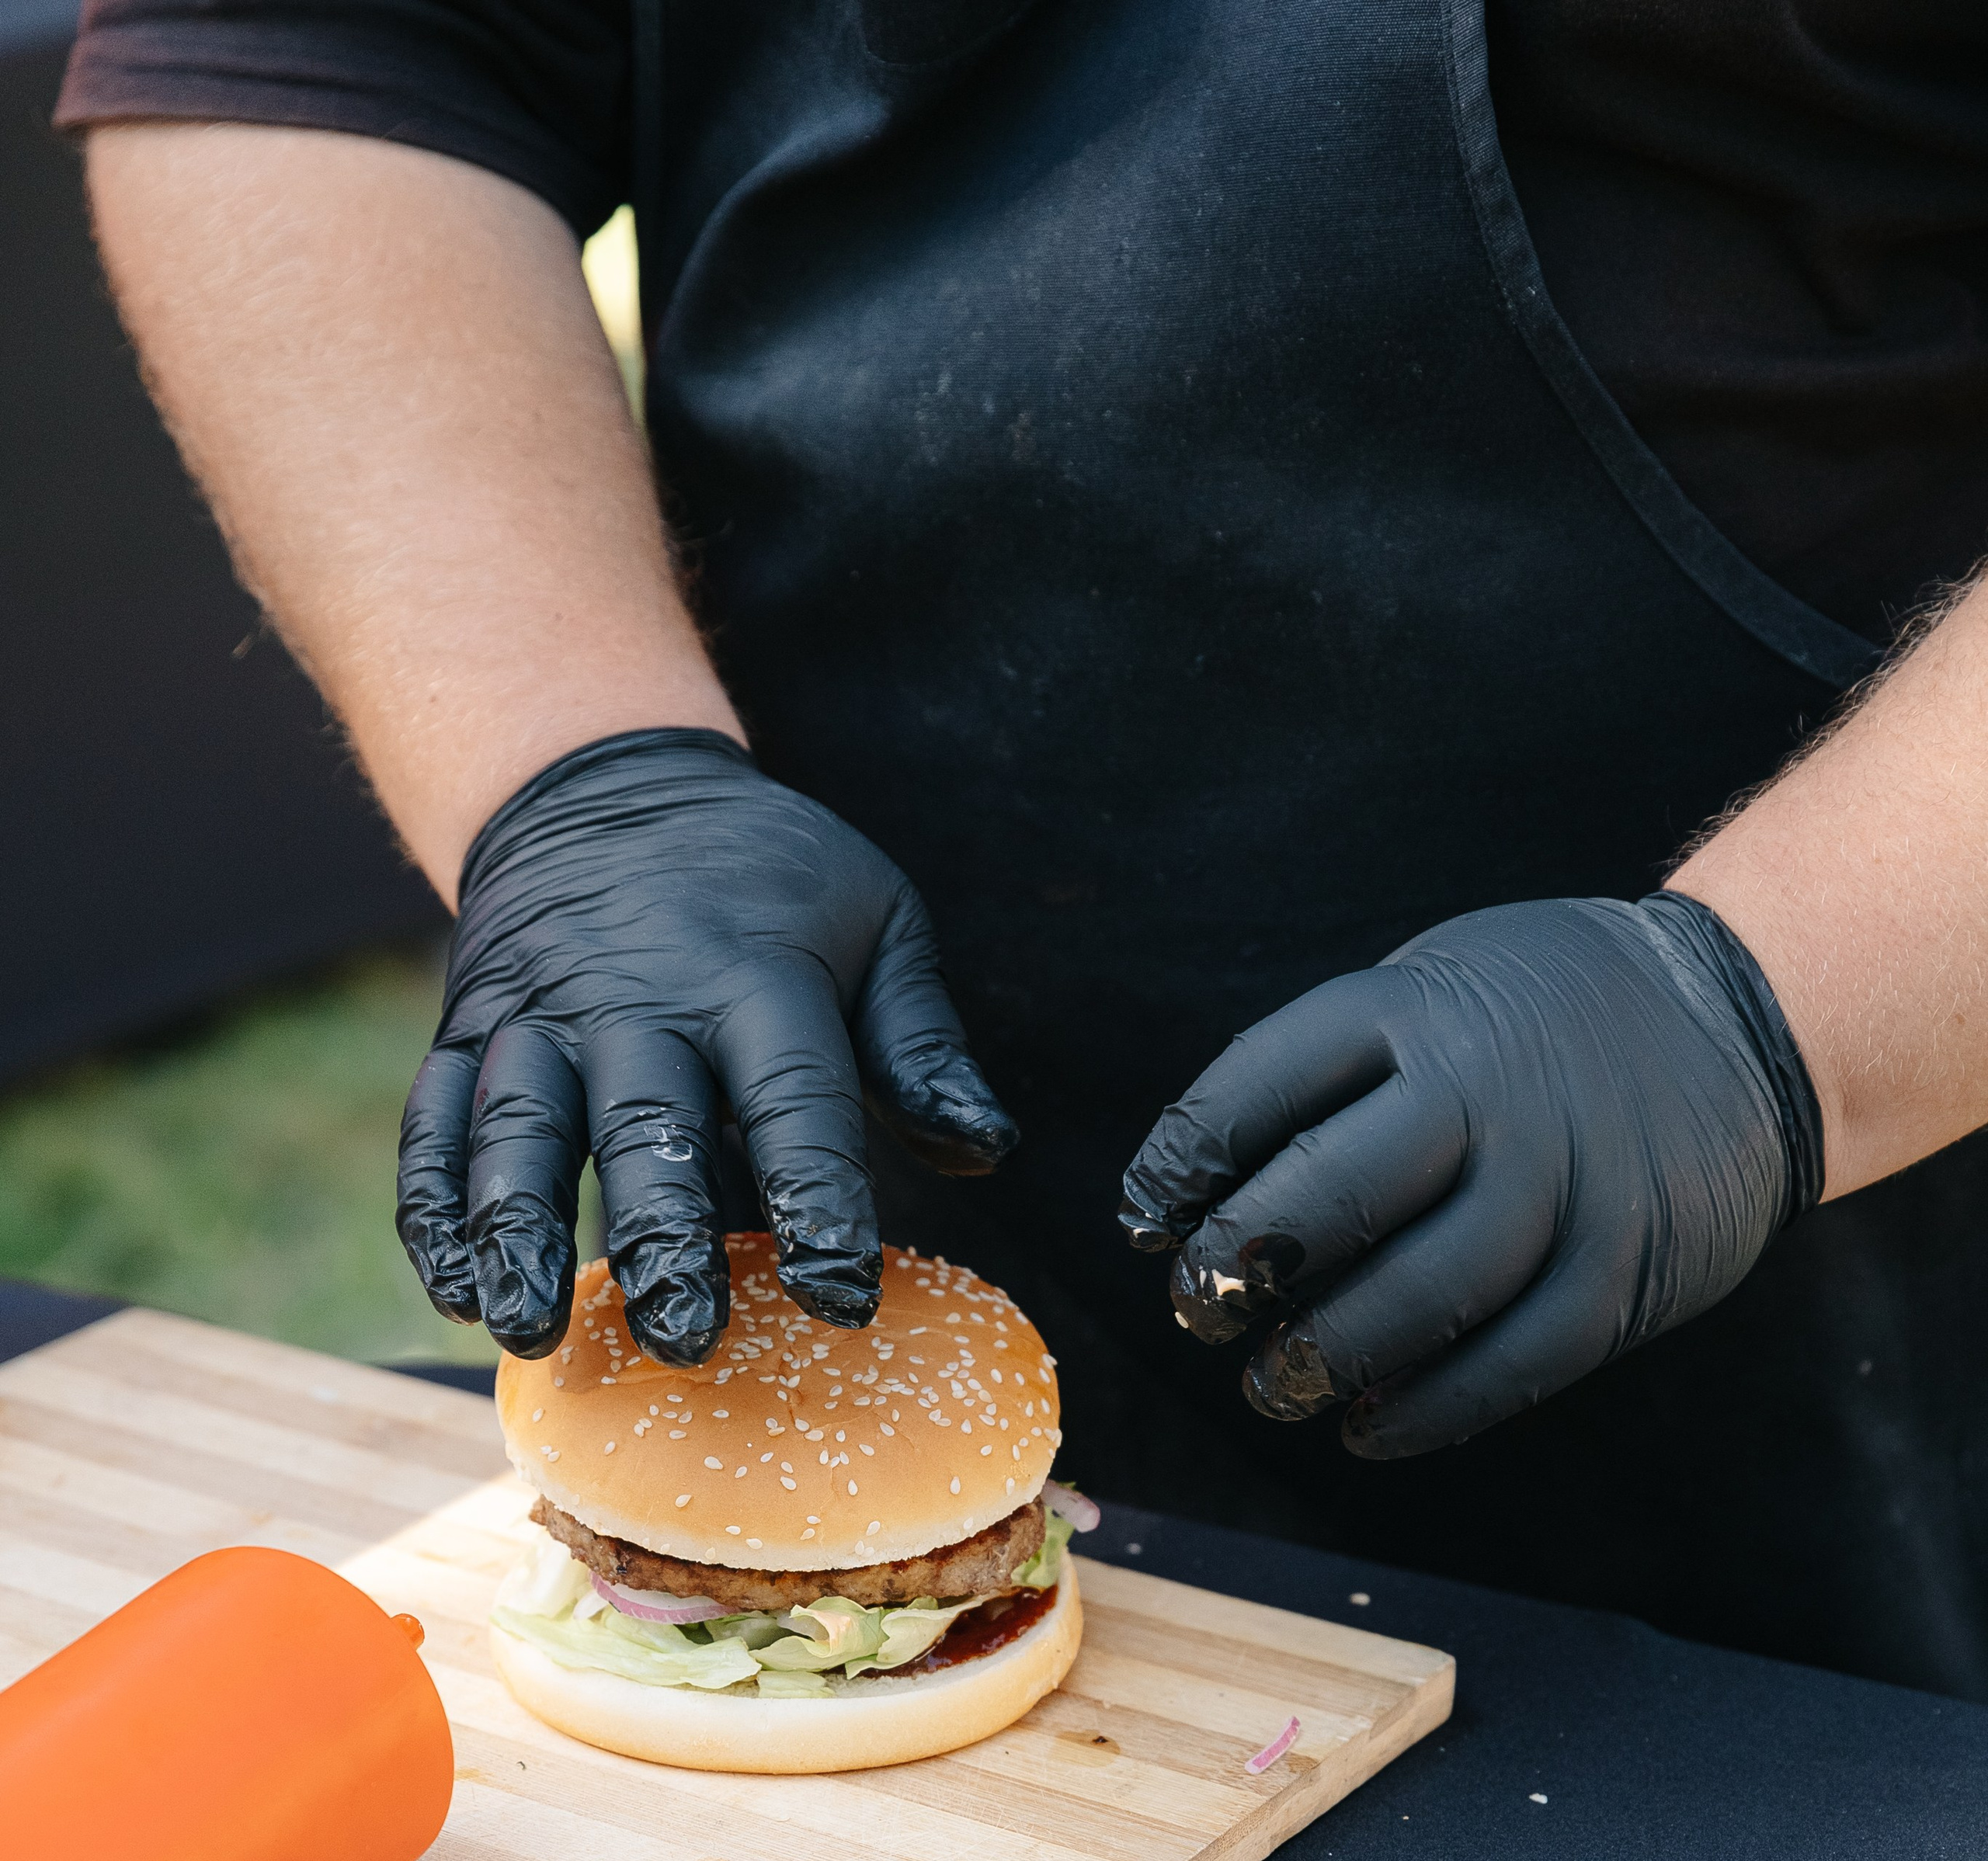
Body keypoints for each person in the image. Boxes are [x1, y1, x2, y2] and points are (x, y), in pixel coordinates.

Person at [57, 2, 1988, 1691]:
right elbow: (339, 50)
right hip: (844, 1128)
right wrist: (576, 771)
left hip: (1848, 1223)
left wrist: (1764, 1014)